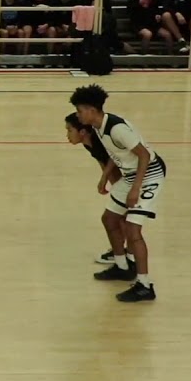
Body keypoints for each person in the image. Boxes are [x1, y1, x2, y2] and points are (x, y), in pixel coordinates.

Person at [70, 85, 164, 303]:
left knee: (133, 229)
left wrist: (136, 188)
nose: (78, 115)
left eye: (80, 111)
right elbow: (116, 153)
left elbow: (143, 155)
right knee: (109, 219)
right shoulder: (99, 127)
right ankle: (123, 267)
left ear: (92, 110)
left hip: (149, 175)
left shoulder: (116, 128)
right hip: (131, 175)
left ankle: (145, 285)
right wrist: (105, 176)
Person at [64, 113, 134, 274]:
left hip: (132, 175)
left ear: (82, 132)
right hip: (122, 179)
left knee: (122, 217)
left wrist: (107, 179)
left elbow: (114, 157)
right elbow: (102, 161)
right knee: (118, 215)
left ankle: (128, 256)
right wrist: (108, 181)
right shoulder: (88, 144)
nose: (67, 135)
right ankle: (122, 251)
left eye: (69, 130)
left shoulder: (100, 140)